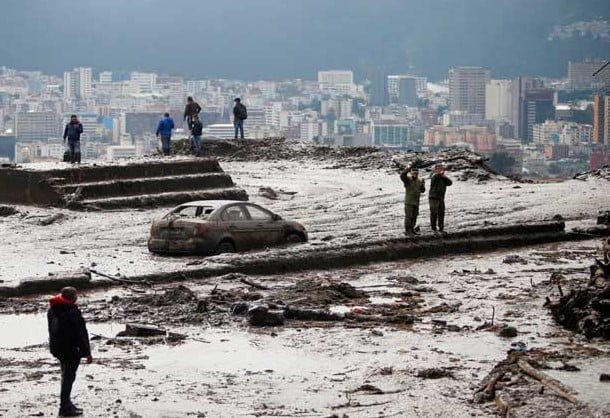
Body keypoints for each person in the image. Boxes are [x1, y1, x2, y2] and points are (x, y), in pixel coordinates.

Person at [47, 286, 92, 417]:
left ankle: (66, 403)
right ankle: (65, 406)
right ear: (73, 298)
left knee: (65, 374)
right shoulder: (72, 312)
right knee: (68, 377)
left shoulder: (52, 309)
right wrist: (87, 353)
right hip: (71, 350)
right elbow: (81, 334)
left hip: (57, 348)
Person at [400, 166, 425, 235]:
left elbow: (423, 191)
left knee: (415, 216)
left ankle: (412, 229)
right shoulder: (407, 180)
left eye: (416, 173)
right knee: (409, 216)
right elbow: (402, 176)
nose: (415, 174)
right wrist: (406, 170)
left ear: (418, 173)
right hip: (408, 202)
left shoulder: (420, 180)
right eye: (413, 173)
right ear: (411, 173)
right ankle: (407, 230)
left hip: (416, 202)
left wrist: (423, 184)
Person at [429, 163, 453, 233]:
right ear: (436, 169)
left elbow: (450, 183)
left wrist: (444, 176)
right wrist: (439, 173)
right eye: (438, 168)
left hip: (441, 198)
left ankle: (441, 228)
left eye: (441, 168)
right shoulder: (434, 176)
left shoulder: (443, 177)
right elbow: (434, 178)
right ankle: (434, 229)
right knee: (434, 213)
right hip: (433, 198)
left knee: (441, 213)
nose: (440, 169)